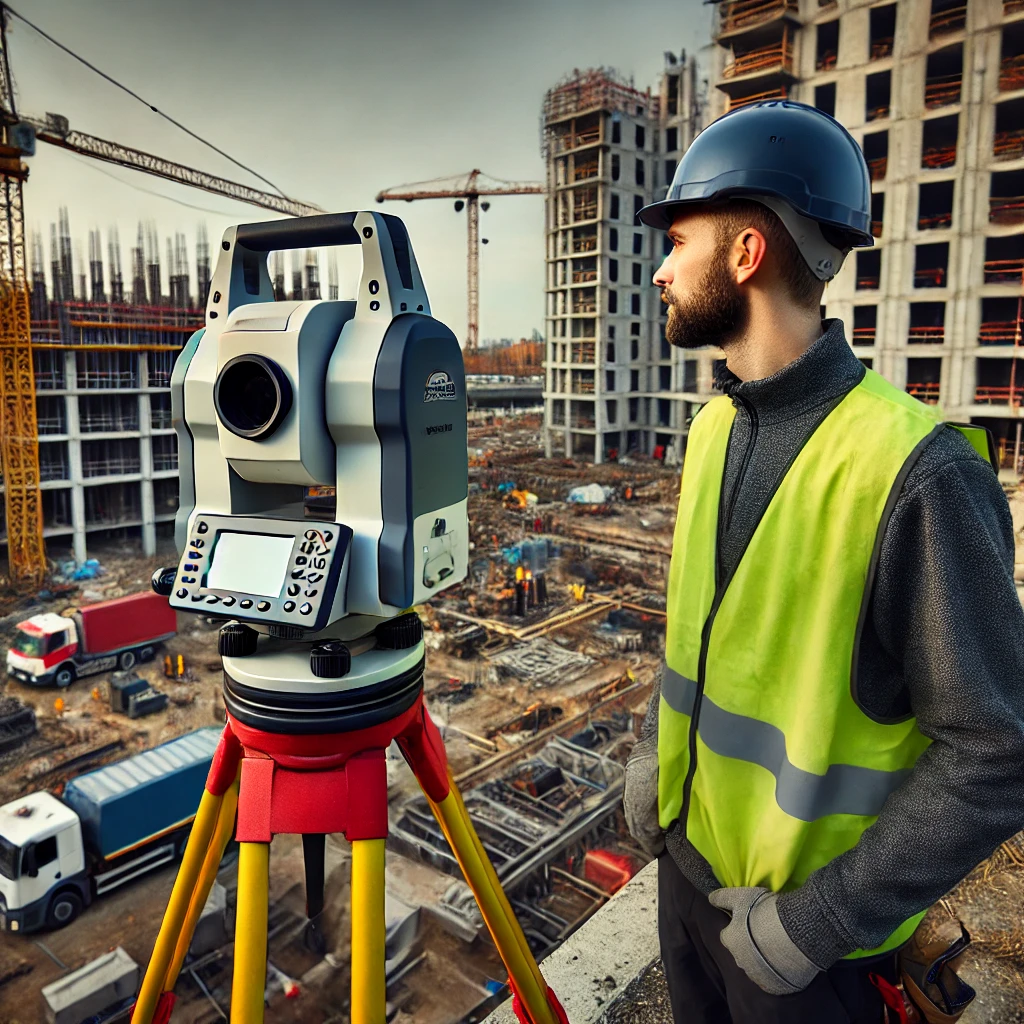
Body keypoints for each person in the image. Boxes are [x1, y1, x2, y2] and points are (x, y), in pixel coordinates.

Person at [623, 99, 1024, 1024]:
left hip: (806, 955)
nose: (660, 269)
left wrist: (816, 925)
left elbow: (997, 751)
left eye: (677, 240)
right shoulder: (712, 427)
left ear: (746, 253)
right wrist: (653, 758)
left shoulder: (917, 471)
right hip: (689, 887)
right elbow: (702, 642)